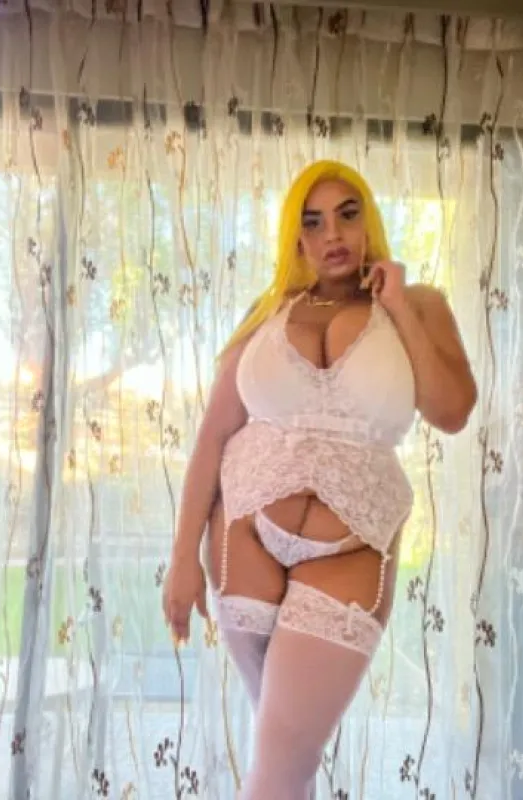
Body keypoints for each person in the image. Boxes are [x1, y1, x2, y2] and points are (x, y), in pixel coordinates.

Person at [162, 159, 477, 799]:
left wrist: (396, 305)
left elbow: (452, 411)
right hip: (243, 536)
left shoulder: (417, 305)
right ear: (298, 240)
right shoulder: (269, 312)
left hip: (351, 548)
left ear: (369, 221)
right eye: (313, 222)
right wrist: (181, 558)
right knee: (284, 757)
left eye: (347, 214)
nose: (332, 232)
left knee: (281, 757)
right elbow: (213, 436)